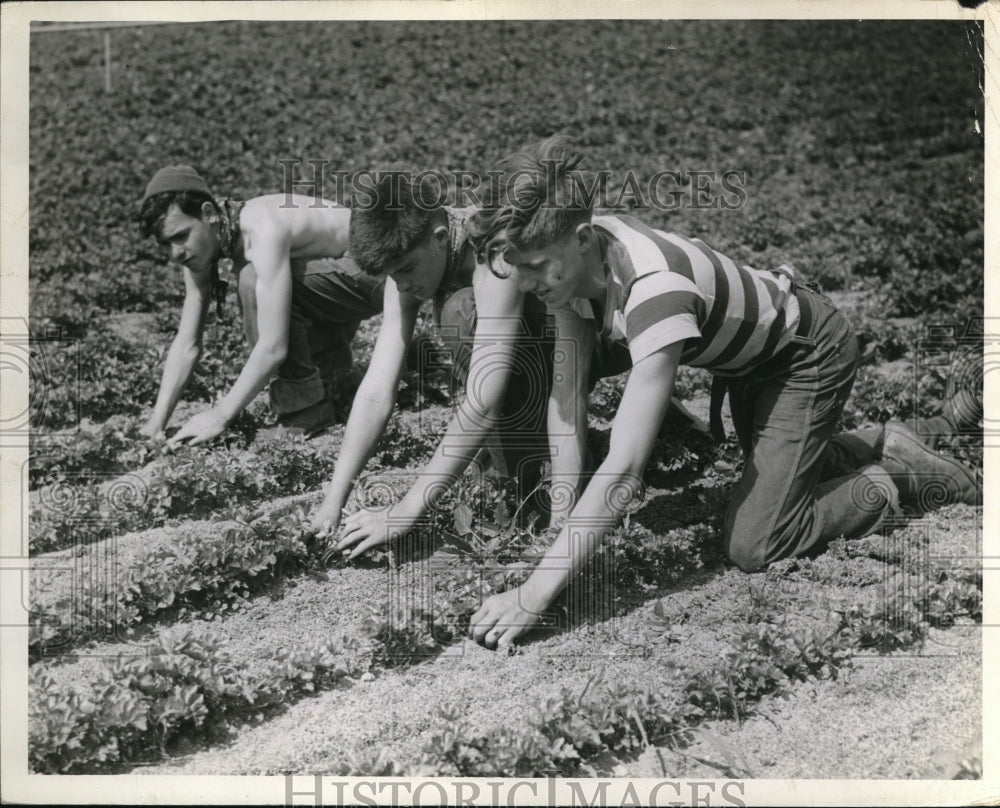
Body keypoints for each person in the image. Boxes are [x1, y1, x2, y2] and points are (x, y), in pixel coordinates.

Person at [465, 135, 981, 649]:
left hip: (804, 353)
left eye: (535, 267)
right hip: (751, 364)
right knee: (781, 481)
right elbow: (567, 402)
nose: (525, 282)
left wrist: (534, 593)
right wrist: (562, 522)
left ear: (580, 238)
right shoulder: (576, 264)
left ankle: (898, 475)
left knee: (757, 540)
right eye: (519, 268)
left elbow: (624, 469)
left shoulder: (653, 289)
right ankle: (889, 440)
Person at [310, 172, 708, 554]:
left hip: (607, 329)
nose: (402, 286)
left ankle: (551, 473)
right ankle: (643, 424)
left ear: (439, 237)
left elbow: (485, 399)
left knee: (459, 313)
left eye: (407, 271)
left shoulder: (492, 254)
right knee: (467, 324)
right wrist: (333, 498)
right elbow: (377, 389)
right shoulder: (408, 265)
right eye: (392, 277)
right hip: (554, 338)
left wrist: (404, 512)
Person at [137, 165, 385, 443]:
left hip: (377, 269)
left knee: (253, 281)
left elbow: (273, 346)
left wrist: (219, 415)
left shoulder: (261, 227)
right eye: (165, 244)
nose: (175, 253)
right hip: (337, 276)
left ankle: (306, 414)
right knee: (271, 286)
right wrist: (156, 423)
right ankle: (334, 384)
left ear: (208, 214)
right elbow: (187, 342)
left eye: (180, 236)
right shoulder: (200, 248)